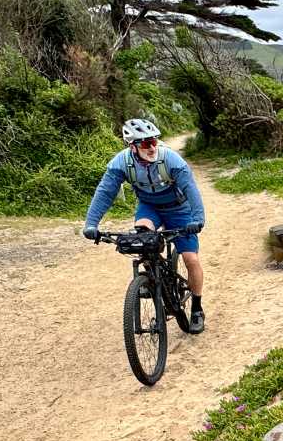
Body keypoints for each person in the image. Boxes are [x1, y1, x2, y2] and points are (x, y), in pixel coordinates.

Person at [83, 119, 207, 333]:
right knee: (142, 238)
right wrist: (91, 223)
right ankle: (151, 279)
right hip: (149, 207)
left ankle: (196, 308)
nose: (151, 147)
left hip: (179, 209)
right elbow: (105, 192)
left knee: (191, 259)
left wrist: (198, 219)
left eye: (153, 141)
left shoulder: (171, 159)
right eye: (145, 144)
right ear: (132, 147)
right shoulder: (121, 163)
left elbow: (190, 189)